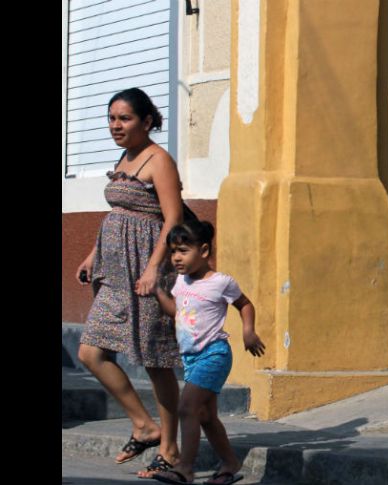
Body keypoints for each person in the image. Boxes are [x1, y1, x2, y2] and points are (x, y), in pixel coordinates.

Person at [76, 87, 184, 478]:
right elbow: (120, 212)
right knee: (90, 352)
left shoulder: (160, 160)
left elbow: (172, 219)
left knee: (156, 360)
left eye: (124, 118)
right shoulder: (125, 157)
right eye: (111, 118)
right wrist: (94, 254)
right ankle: (144, 426)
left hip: (147, 271)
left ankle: (170, 449)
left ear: (147, 121)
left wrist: (154, 268)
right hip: (116, 273)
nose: (115, 126)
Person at [151, 221, 265, 485]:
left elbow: (245, 304)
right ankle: (230, 463)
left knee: (187, 407)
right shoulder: (181, 281)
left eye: (183, 251)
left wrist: (248, 331)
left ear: (203, 251)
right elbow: (179, 313)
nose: (176, 257)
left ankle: (185, 468)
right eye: (173, 251)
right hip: (190, 358)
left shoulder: (220, 282)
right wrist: (157, 293)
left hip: (214, 354)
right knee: (205, 416)